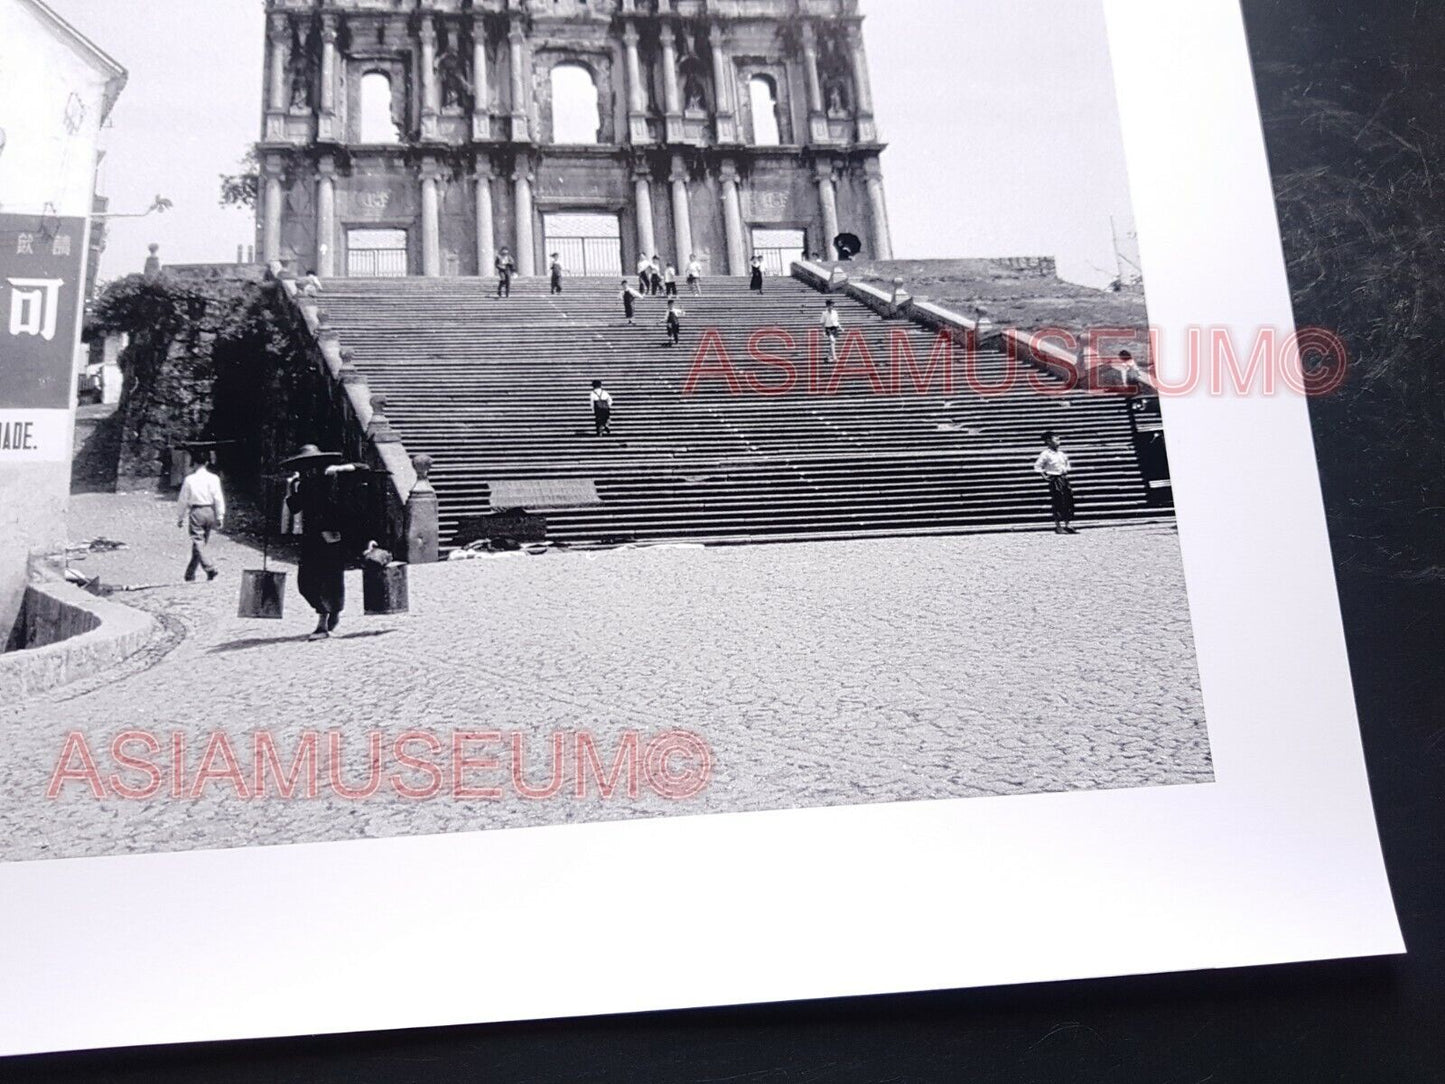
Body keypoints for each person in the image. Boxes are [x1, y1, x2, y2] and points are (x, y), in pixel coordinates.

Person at [282, 444, 364, 639]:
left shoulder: (332, 478)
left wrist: (340, 469)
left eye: (311, 465)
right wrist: (290, 486)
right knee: (305, 582)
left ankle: (324, 621)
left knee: (331, 579)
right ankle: (327, 612)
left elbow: (363, 469)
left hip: (332, 536)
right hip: (311, 538)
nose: (307, 470)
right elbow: (294, 507)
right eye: (304, 467)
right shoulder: (303, 484)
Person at [176, 452, 225, 582]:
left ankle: (209, 568)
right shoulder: (214, 478)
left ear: (195, 463)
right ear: (207, 463)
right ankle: (190, 573)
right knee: (201, 544)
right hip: (210, 511)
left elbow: (183, 499)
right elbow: (218, 498)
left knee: (198, 542)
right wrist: (220, 515)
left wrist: (180, 516)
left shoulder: (190, 479)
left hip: (196, 511)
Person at [1033, 430, 1077, 535]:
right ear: (1048, 441)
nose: (1058, 441)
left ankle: (1067, 524)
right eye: (1056, 439)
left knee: (1068, 500)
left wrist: (1066, 470)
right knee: (1058, 501)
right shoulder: (1046, 454)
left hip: (1064, 478)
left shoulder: (1061, 454)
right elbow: (1037, 466)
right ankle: (1058, 526)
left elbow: (1067, 465)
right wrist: (1045, 476)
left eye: (1059, 439)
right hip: (1055, 479)